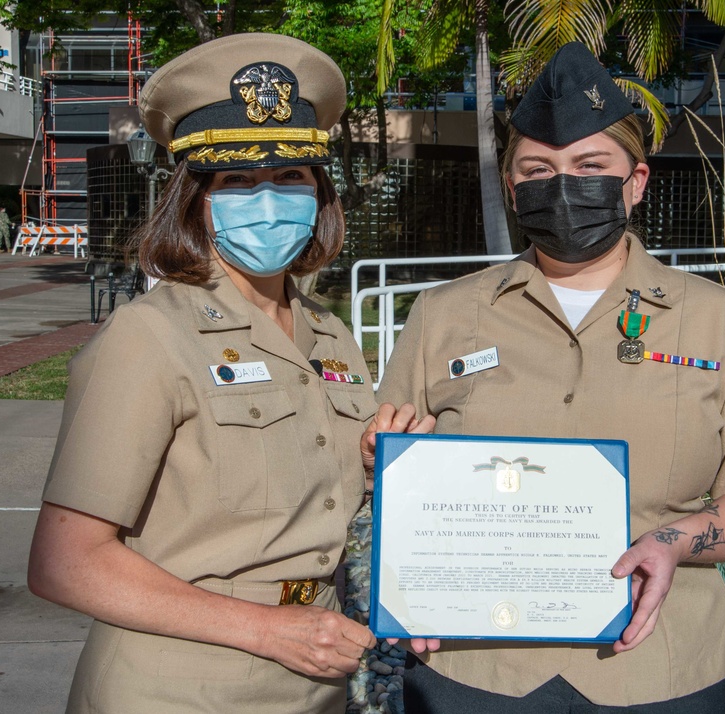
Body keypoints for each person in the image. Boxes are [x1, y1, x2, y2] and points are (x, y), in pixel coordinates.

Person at [372, 42, 725, 713]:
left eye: (589, 166)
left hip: (659, 668)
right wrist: (385, 458)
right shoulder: (444, 314)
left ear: (636, 182)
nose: (563, 185)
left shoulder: (719, 322)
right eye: (538, 169)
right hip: (475, 669)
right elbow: (389, 465)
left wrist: (672, 541)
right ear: (514, 186)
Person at [27, 33, 430, 714]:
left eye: (289, 178)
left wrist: (370, 464)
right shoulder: (150, 335)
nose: (267, 199)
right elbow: (66, 563)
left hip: (317, 676)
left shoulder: (329, 336)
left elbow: (310, 502)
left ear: (319, 190)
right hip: (180, 686)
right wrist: (268, 629)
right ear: (195, 201)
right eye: (238, 181)